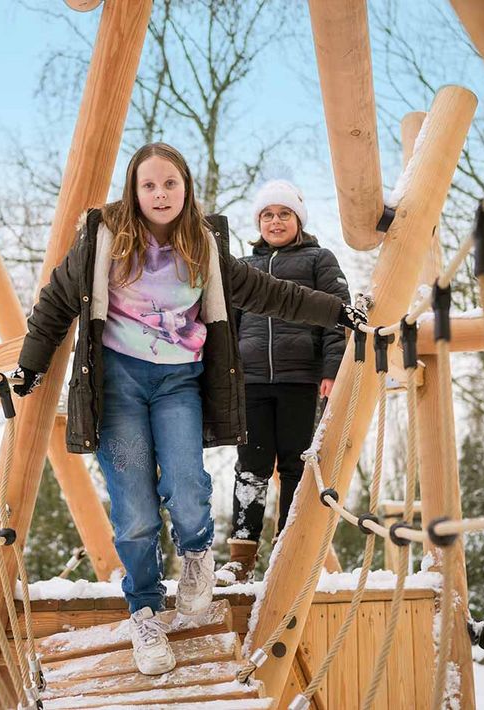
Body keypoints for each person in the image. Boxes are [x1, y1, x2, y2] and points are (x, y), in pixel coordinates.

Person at [10, 143, 366, 676]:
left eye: (169, 184)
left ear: (185, 189)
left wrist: (339, 312)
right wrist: (30, 366)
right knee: (133, 511)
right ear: (134, 190)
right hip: (120, 384)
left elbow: (270, 293)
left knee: (187, 487)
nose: (159, 194)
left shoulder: (203, 244)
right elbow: (56, 303)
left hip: (178, 381)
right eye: (149, 184)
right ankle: (146, 611)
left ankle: (197, 556)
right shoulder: (101, 238)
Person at [214, 180, 352, 587]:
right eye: (268, 215)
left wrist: (331, 369)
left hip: (300, 378)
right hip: (252, 381)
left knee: (295, 466)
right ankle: (241, 555)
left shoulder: (318, 260)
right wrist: (227, 374)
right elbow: (227, 323)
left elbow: (336, 317)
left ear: (298, 220)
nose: (276, 221)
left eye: (284, 214)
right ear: (259, 222)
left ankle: (286, 550)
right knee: (250, 468)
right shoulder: (242, 266)